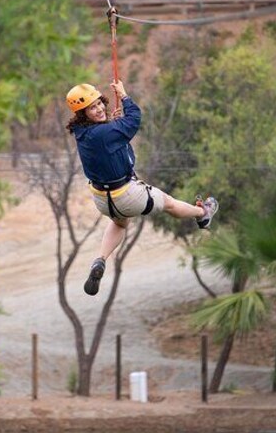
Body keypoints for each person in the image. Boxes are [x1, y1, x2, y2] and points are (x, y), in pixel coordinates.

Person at [66, 80, 219, 296]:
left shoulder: (83, 133)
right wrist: (125, 96)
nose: (99, 108)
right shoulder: (105, 133)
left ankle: (100, 260)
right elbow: (134, 120)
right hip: (126, 195)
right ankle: (203, 214)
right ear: (83, 114)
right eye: (92, 107)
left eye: (99, 103)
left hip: (102, 199)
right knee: (169, 204)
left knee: (120, 224)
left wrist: (113, 124)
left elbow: (112, 136)